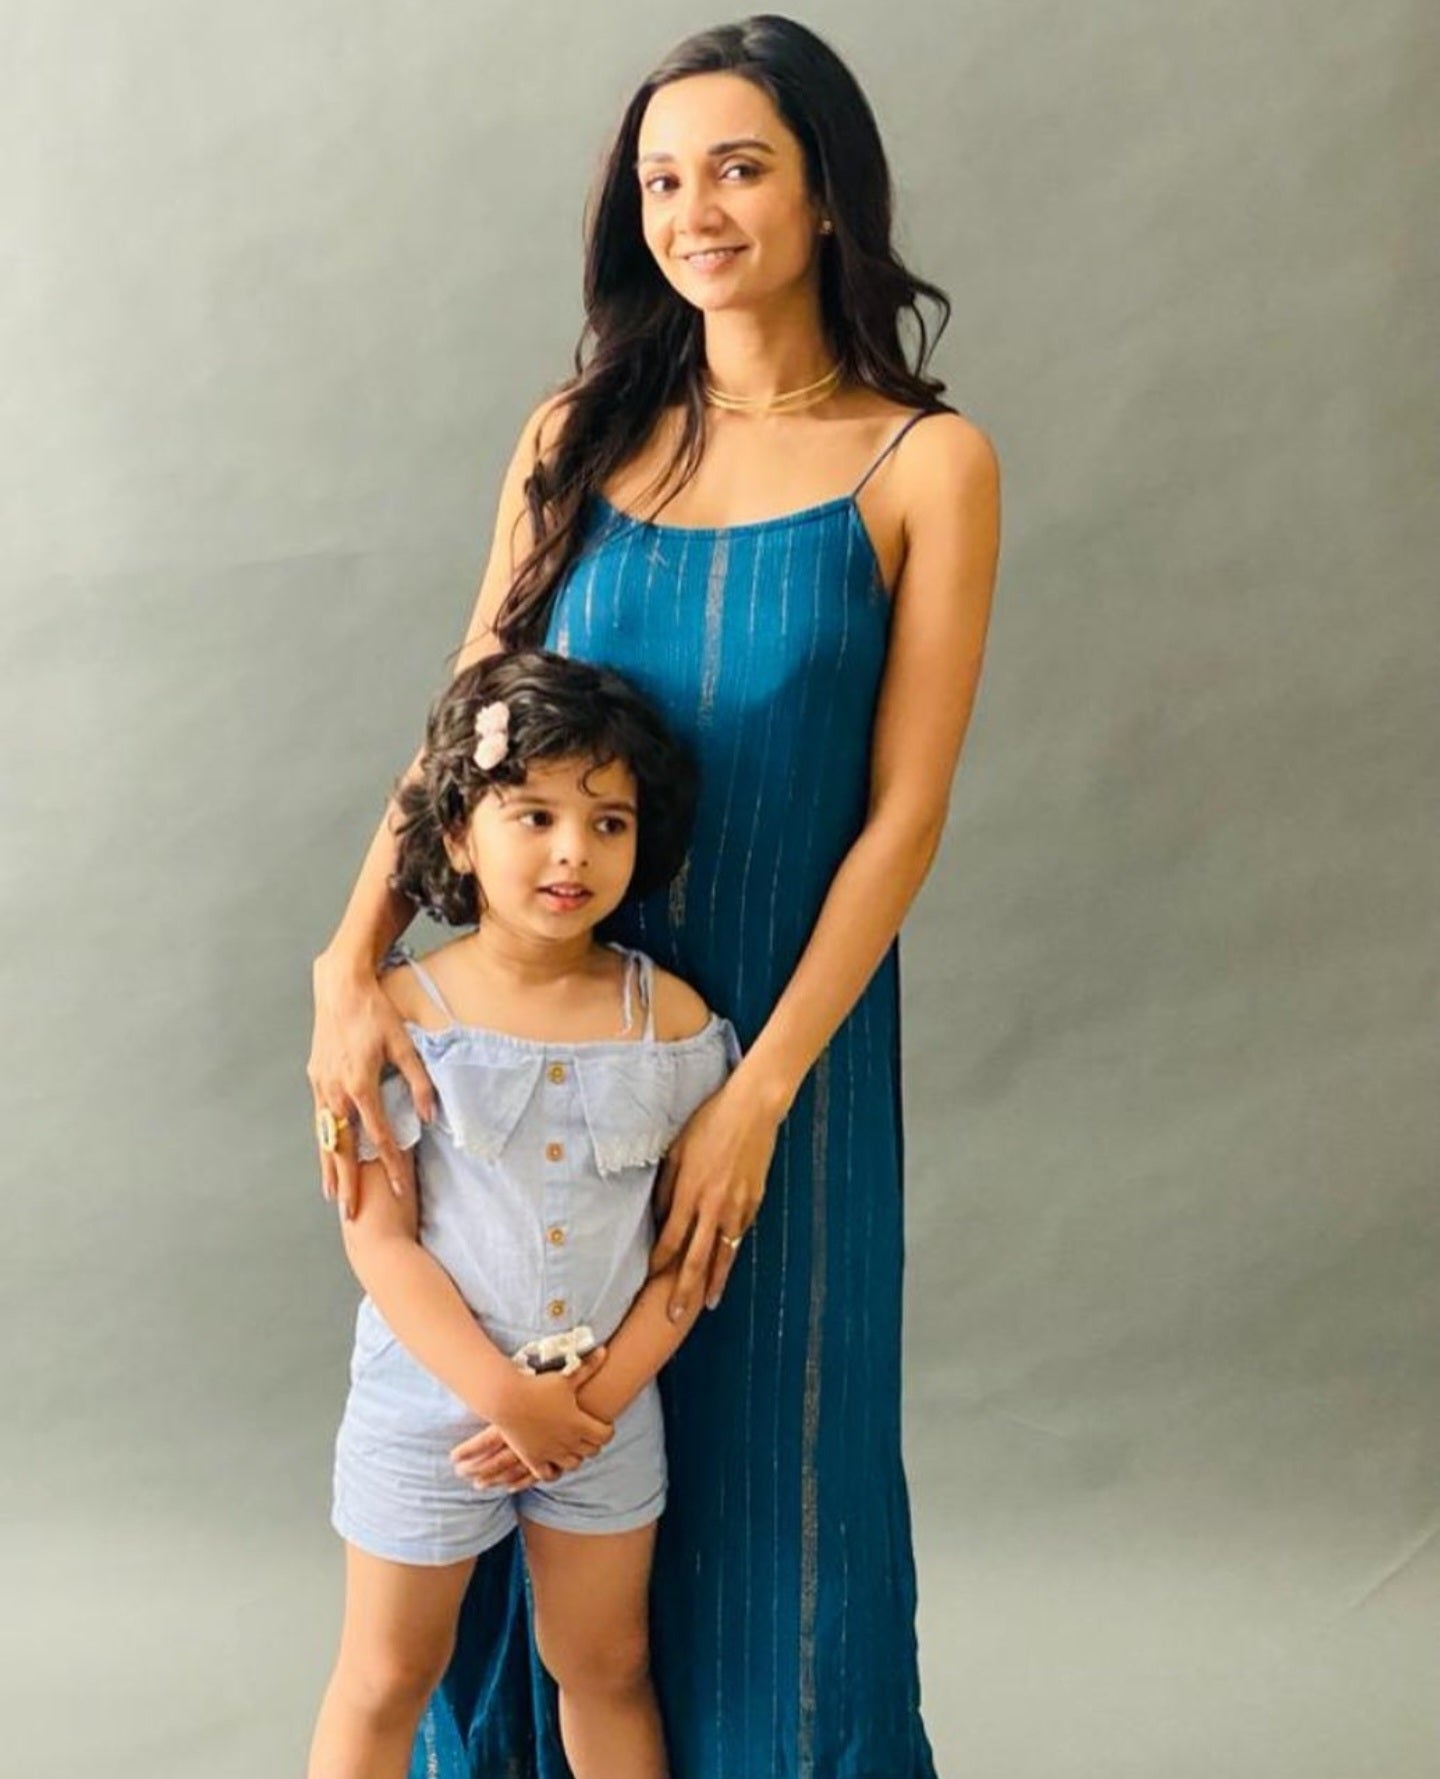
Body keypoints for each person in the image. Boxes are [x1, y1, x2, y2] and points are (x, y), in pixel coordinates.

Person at [308, 14, 1000, 1776]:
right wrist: (349, 955)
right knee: (509, 1444)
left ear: (829, 195)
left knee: (782, 1482)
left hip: (783, 1061)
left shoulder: (927, 464)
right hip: (527, 1042)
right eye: (663, 179)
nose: (695, 211)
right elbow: (465, 722)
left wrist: (754, 1094)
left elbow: (905, 817)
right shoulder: (578, 432)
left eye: (740, 168)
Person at [307, 649, 739, 1779]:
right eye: (535, 815)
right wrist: (503, 1397)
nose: (571, 851)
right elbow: (377, 1237)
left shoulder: (672, 1025)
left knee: (606, 1665)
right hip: (428, 1406)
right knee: (386, 1674)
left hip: (604, 1415)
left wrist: (585, 1407)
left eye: (608, 822)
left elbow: (687, 1256)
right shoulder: (400, 1014)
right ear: (458, 834)